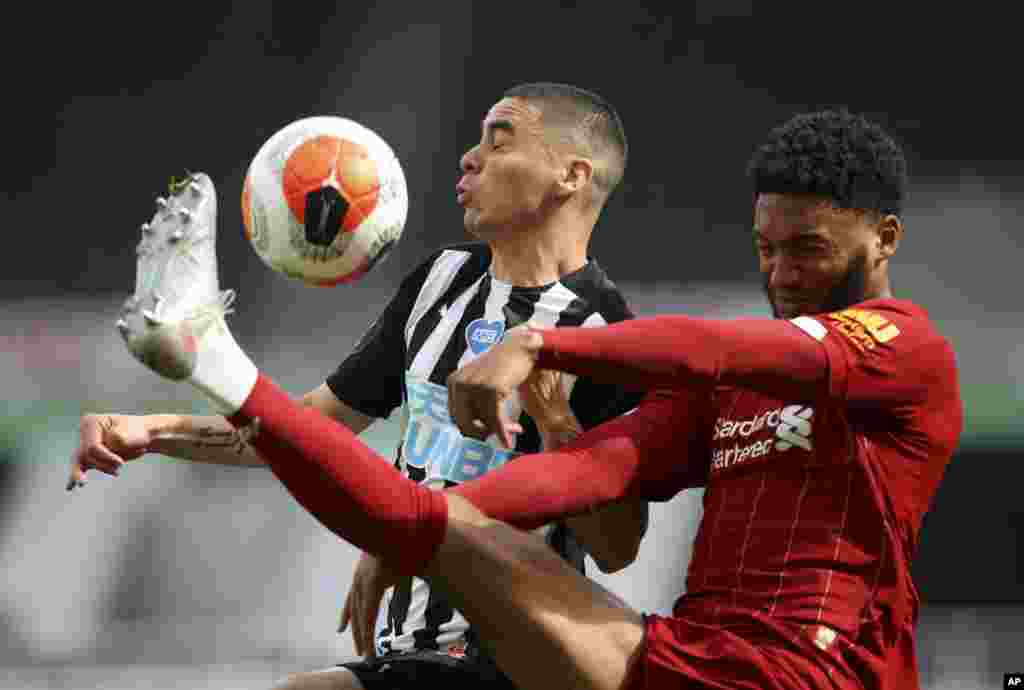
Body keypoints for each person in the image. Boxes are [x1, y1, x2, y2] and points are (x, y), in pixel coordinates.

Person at [106, 107, 962, 690]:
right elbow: (591, 471)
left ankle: (218, 361)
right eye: (766, 249)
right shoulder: (441, 283)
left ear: (884, 238)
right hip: (680, 661)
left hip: (814, 673)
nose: (780, 274)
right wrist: (415, 532)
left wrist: (541, 346)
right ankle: (214, 362)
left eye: (807, 248)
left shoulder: (902, 350)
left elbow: (713, 352)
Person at [72, 84, 647, 689]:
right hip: (410, 652)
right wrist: (149, 429)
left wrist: (558, 425)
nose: (469, 158)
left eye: (497, 144)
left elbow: (617, 549)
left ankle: (206, 346)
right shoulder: (440, 282)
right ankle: (204, 353)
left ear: (571, 176)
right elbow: (303, 432)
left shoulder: (604, 332)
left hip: (516, 659)